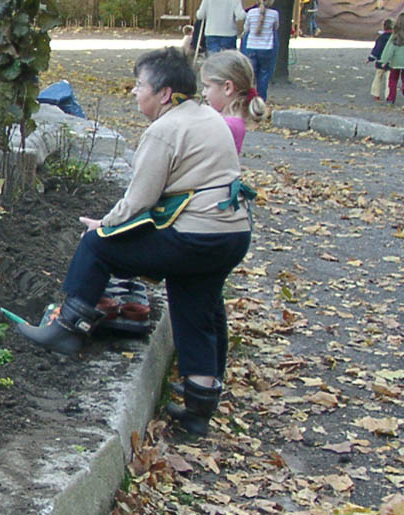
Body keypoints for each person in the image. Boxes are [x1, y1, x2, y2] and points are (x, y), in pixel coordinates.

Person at [16, 47, 255, 438]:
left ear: (164, 93)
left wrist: (102, 227)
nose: (133, 91)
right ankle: (198, 408)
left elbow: (138, 201)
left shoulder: (164, 130)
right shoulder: (207, 117)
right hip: (231, 233)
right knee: (193, 304)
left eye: (139, 84)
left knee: (96, 246)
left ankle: (66, 329)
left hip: (196, 235)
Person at [200, 50, 270, 153]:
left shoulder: (226, 126)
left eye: (207, 87)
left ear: (227, 88)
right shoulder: (226, 120)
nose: (203, 93)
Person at [240, 0, 278, 100]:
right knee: (264, 76)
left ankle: (249, 100)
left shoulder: (251, 13)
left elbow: (246, 29)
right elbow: (275, 28)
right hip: (266, 48)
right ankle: (261, 100)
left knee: (250, 76)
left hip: (251, 47)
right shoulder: (274, 14)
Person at [380, 18, 404, 104]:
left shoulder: (395, 35)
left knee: (393, 80)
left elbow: (389, 49)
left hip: (395, 62)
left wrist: (384, 60)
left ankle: (391, 98)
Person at [370, 19, 394, 101]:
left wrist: (371, 58)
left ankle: (375, 94)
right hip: (391, 62)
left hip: (380, 61)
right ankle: (388, 95)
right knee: (389, 80)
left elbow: (377, 49)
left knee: (377, 77)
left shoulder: (381, 38)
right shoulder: (395, 38)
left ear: (384, 27)